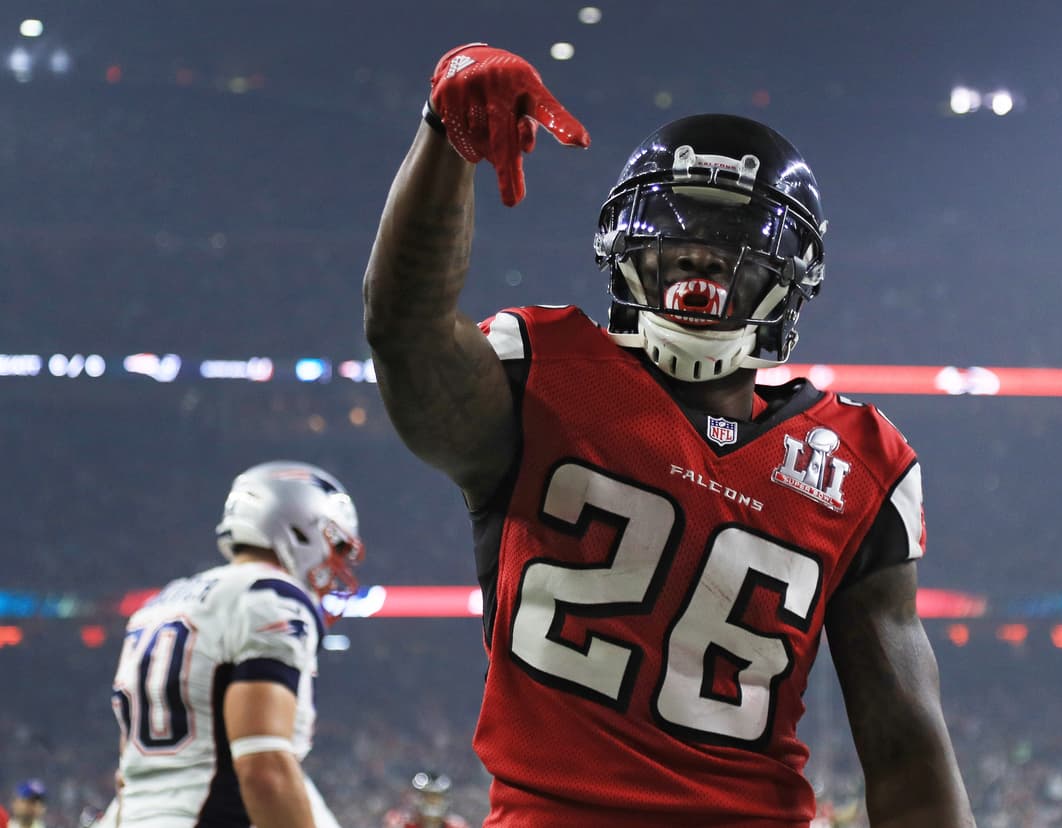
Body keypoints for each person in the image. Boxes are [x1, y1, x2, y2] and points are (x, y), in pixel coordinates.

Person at [364, 42, 974, 827]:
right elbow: (403, 329)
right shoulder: (541, 372)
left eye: (730, 239)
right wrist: (445, 139)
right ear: (624, 244)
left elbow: (908, 753)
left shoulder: (860, 464)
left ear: (789, 275)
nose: (696, 253)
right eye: (678, 228)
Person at [106, 461, 363, 828]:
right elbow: (264, 766)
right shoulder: (270, 596)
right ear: (299, 528)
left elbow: (127, 769)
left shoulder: (159, 604)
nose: (335, 562)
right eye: (334, 543)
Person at [383, 771, 469, 828]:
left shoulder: (457, 826)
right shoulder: (401, 823)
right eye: (427, 796)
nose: (432, 802)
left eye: (436, 797)